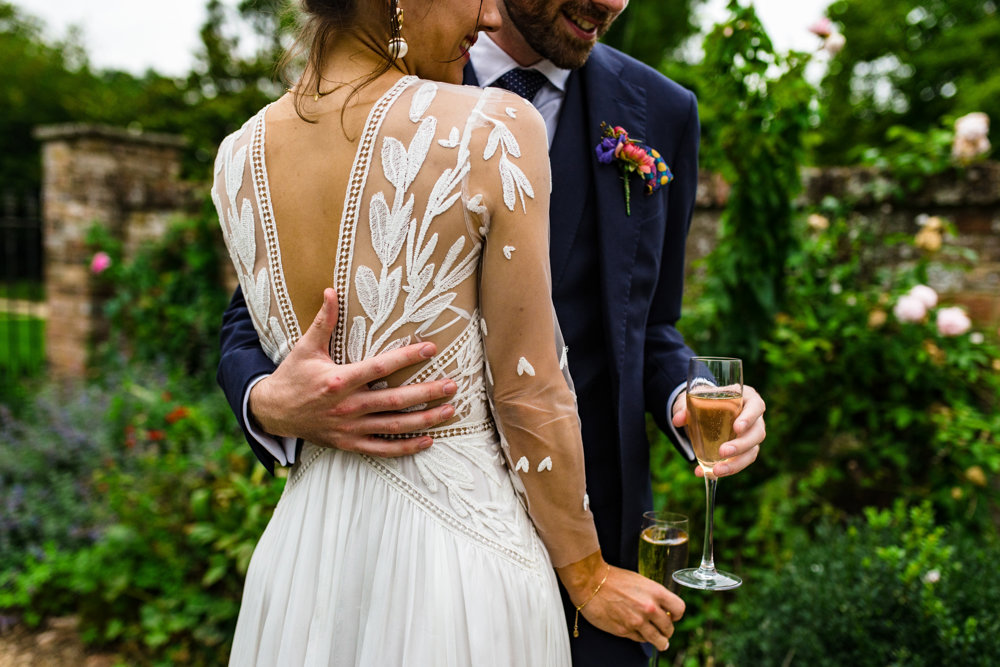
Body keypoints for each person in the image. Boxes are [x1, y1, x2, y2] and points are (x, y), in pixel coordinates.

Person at [217, 0, 768, 664]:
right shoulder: (488, 119)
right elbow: (257, 320)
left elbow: (651, 324)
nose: (613, 2)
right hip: (474, 563)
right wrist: (267, 402)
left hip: (318, 554)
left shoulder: (661, 109)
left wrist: (689, 393)